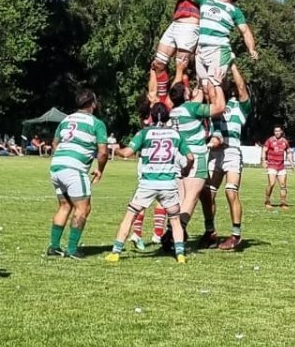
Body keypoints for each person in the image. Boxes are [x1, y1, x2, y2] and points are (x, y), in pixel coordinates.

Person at [106, 103, 193, 264]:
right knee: (175, 220)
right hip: (168, 184)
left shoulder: (144, 133)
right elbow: (191, 157)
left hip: (147, 184)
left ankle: (115, 252)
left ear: (151, 116)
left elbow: (127, 153)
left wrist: (114, 148)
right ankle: (180, 255)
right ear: (168, 116)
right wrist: (186, 170)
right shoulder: (176, 135)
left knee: (130, 216)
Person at [163, 0, 258, 84]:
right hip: (202, 51)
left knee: (214, 85)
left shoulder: (234, 11)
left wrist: (251, 49)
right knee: (205, 88)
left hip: (218, 50)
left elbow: (245, 31)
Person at [46, 90, 109, 259]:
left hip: (57, 165)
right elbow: (103, 153)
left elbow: (55, 143)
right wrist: (100, 169)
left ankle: (54, 246)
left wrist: (62, 156)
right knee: (83, 208)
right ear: (93, 104)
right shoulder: (96, 123)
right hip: (74, 168)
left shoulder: (66, 119)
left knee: (65, 205)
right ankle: (72, 249)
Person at [168, 78, 226, 245]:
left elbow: (197, 95)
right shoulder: (192, 108)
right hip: (196, 155)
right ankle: (175, 232)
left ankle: (210, 230)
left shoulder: (174, 111)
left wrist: (200, 84)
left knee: (200, 195)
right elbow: (219, 107)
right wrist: (216, 84)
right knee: (190, 197)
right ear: (186, 95)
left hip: (179, 155)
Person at [149, 0, 211, 97]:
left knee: (179, 68)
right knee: (158, 63)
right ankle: (163, 99)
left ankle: (175, 103)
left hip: (189, 25)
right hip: (176, 24)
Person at [210, 63, 252, 250]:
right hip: (215, 152)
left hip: (232, 152)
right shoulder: (215, 106)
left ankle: (235, 235)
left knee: (230, 191)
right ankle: (210, 232)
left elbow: (242, 89)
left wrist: (233, 65)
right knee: (207, 193)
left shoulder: (239, 107)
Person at [262, 126, 293, 209]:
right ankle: (267, 201)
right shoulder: (270, 140)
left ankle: (283, 203)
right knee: (271, 184)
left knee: (283, 185)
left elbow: (289, 152)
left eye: (278, 131)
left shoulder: (285, 141)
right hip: (272, 165)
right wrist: (263, 160)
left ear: (281, 132)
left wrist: (292, 164)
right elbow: (264, 150)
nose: (277, 133)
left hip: (281, 166)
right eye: (275, 131)